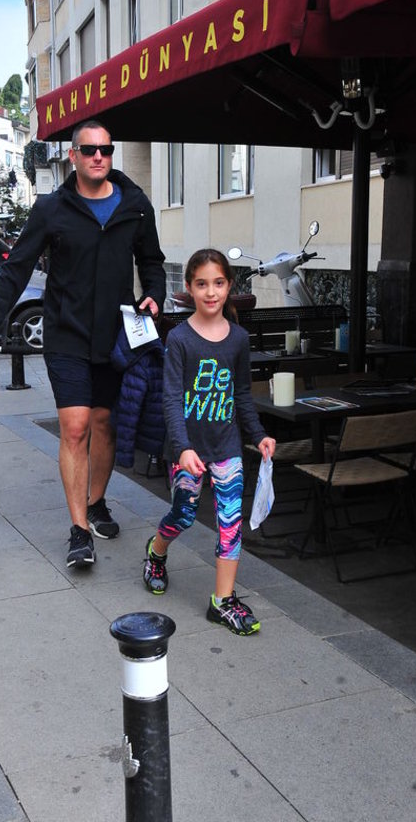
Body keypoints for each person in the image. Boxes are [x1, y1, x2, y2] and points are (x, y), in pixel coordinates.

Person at [0, 119, 166, 569]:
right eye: (89, 150)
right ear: (73, 156)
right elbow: (16, 268)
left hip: (115, 336)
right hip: (67, 334)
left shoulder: (134, 204)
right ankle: (79, 531)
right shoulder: (51, 208)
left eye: (106, 149)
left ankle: (96, 503)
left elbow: (152, 261)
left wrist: (155, 292)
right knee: (75, 427)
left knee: (104, 424)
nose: (99, 157)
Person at [143, 248, 275, 635]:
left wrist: (259, 435)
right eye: (202, 284)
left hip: (227, 448)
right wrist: (183, 448)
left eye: (218, 283)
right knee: (183, 515)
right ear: (189, 288)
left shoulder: (239, 339)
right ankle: (156, 552)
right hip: (188, 450)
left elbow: (242, 395)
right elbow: (171, 399)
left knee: (230, 524)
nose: (211, 292)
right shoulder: (180, 339)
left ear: (229, 285)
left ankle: (223, 601)